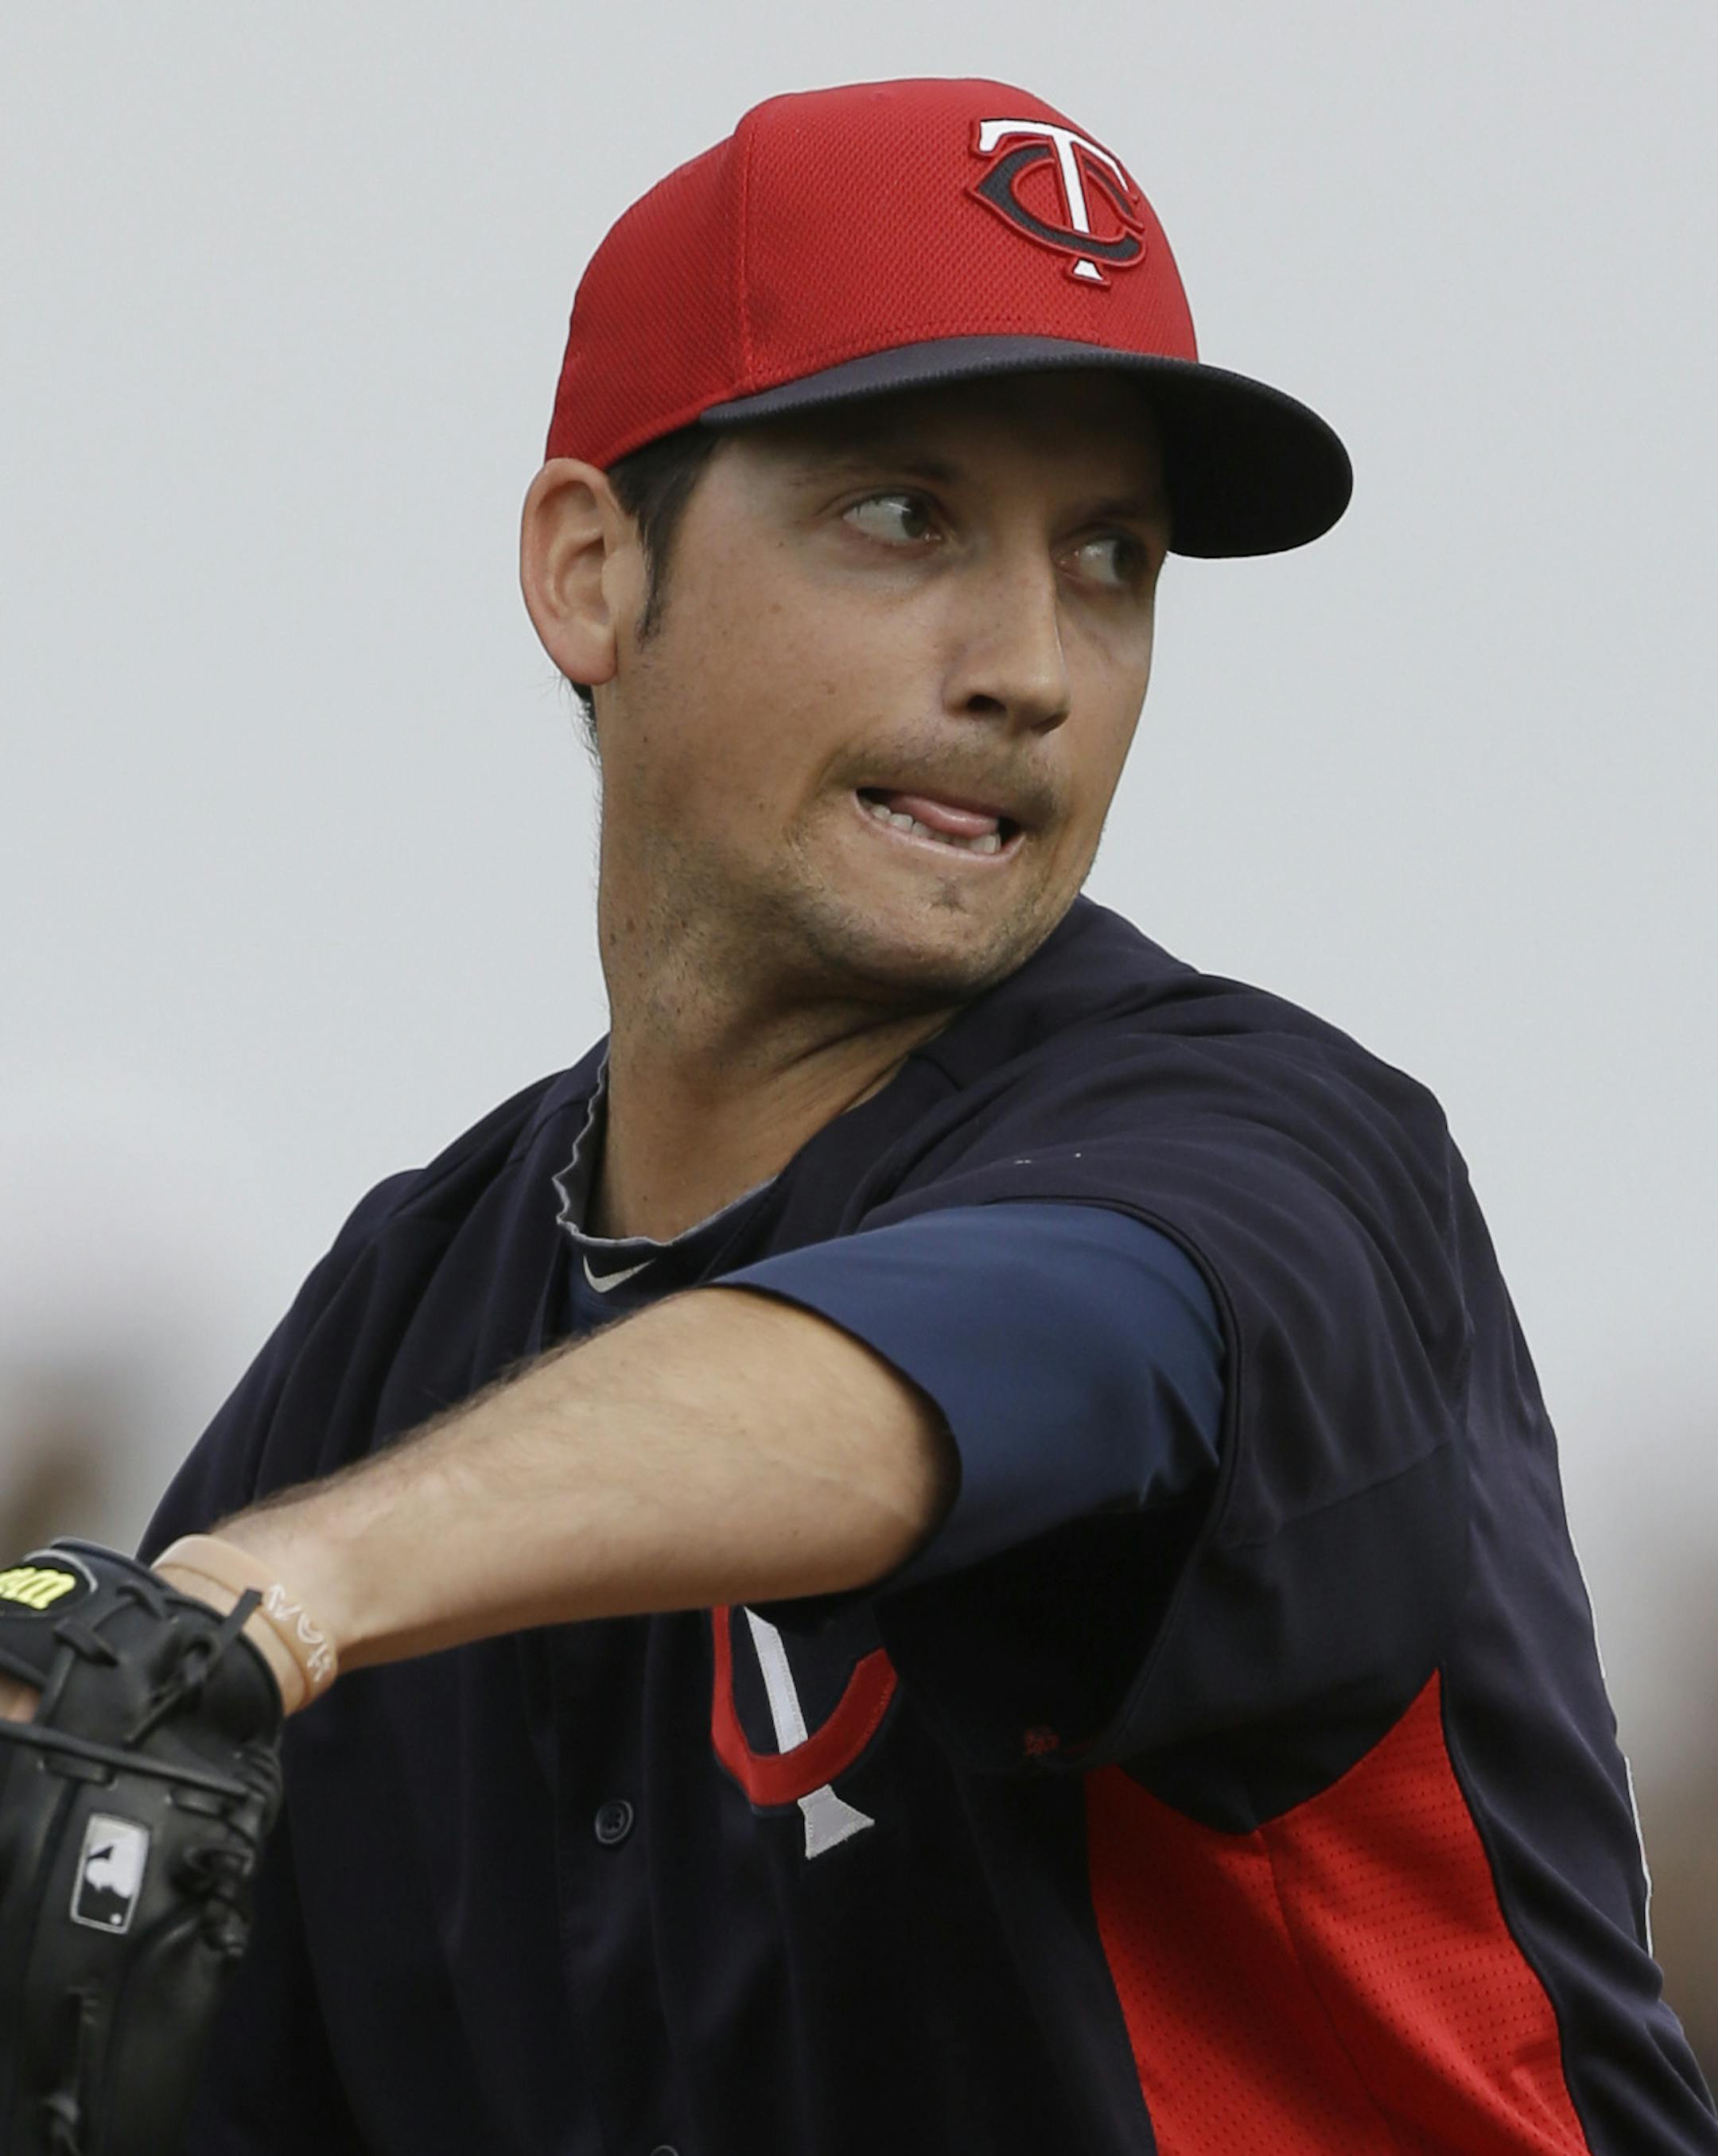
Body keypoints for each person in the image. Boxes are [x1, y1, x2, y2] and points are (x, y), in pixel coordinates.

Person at [10, 74, 1716, 2155]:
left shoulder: (1269, 1155)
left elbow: (1031, 1350)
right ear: (586, 572)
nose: (1034, 665)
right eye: (905, 517)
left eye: (1111, 558)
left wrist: (278, 1590)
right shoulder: (406, 1322)